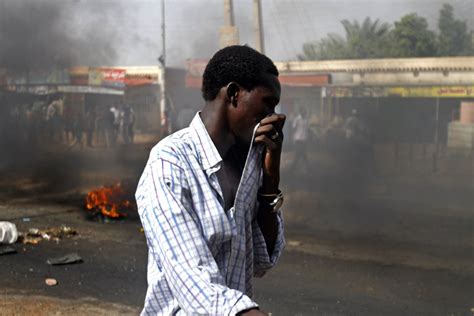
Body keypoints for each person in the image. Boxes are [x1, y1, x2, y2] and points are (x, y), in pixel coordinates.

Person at [135, 45, 286, 316]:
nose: (275, 116)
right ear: (233, 94)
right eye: (268, 103)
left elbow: (261, 262)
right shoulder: (170, 162)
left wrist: (270, 178)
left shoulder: (251, 163)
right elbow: (192, 280)